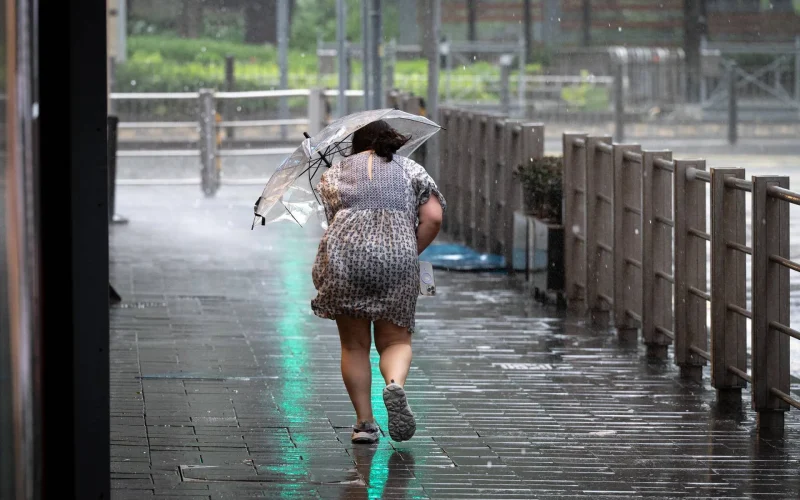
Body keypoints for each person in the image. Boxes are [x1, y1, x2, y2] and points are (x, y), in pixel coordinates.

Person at [311, 120, 445, 444]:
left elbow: (334, 220)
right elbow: (434, 217)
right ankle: (394, 383)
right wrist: (409, 247)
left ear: (357, 144)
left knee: (354, 345)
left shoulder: (335, 173)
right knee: (396, 340)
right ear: (392, 141)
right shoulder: (411, 169)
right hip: (397, 257)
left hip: (347, 259)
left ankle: (364, 424)